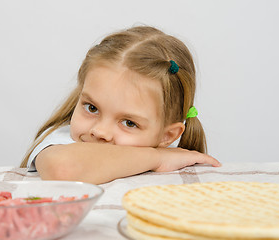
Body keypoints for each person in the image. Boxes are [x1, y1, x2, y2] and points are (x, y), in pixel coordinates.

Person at [20, 26, 221, 184]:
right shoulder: (64, 142)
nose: (99, 131)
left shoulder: (178, 165)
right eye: (92, 108)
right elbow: (63, 170)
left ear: (167, 136)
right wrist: (157, 157)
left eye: (129, 123)